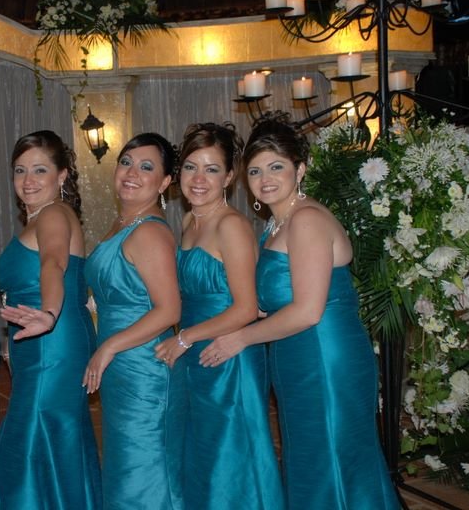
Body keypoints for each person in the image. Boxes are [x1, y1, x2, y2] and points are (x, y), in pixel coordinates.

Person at [199, 118, 398, 509]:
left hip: (324, 357)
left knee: (333, 460)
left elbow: (307, 311)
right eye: (255, 171)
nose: (265, 179)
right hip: (296, 357)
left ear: (300, 169)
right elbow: (274, 299)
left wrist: (239, 338)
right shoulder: (275, 225)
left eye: (276, 167)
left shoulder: (307, 219)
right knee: (311, 459)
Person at [155, 122, 285, 509]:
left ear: (229, 177)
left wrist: (184, 338)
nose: (199, 179)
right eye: (191, 167)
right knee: (203, 454)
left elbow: (247, 307)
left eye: (211, 169)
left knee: (232, 456)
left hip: (229, 355)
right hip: (196, 352)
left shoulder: (232, 225)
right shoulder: (189, 221)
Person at [0, 130, 101, 509]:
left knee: (31, 439)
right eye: (20, 170)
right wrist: (11, 341)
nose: (28, 180)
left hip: (52, 341)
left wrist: (50, 314)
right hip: (39, 339)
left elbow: (53, 263)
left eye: (40, 170)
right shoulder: (38, 218)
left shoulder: (53, 214)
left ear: (62, 175)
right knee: (49, 439)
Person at [83, 133, 184, 509]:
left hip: (143, 367)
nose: (131, 173)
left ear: (164, 182)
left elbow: (169, 310)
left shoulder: (150, 232)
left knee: (142, 469)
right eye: (126, 162)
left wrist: (108, 346)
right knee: (126, 464)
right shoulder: (124, 224)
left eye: (146, 167)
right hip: (122, 366)